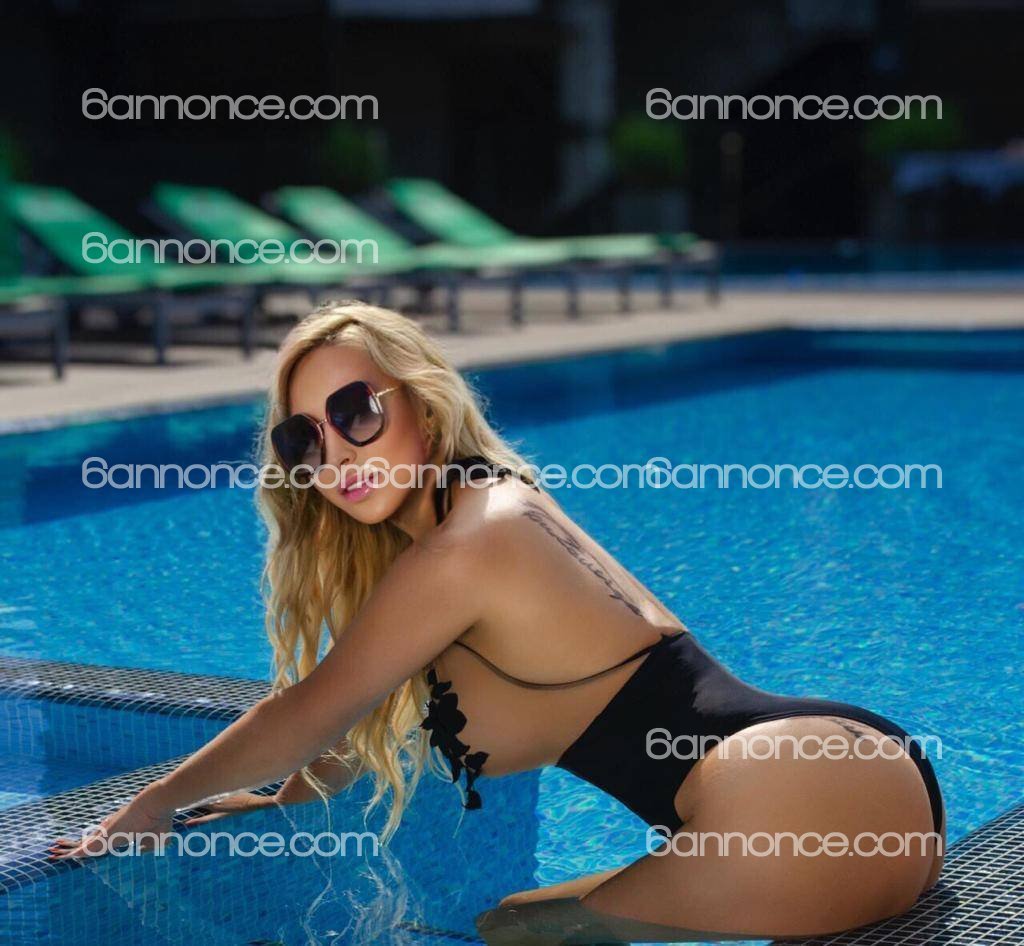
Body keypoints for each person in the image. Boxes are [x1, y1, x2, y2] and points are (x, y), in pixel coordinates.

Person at [52, 301, 945, 944]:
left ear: (423, 402)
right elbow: (359, 724)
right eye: (303, 438)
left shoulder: (472, 541)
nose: (336, 453)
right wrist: (277, 803)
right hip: (861, 783)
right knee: (514, 923)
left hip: (795, 799)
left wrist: (148, 808)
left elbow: (308, 712)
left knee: (523, 935)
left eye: (356, 412)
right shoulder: (477, 525)